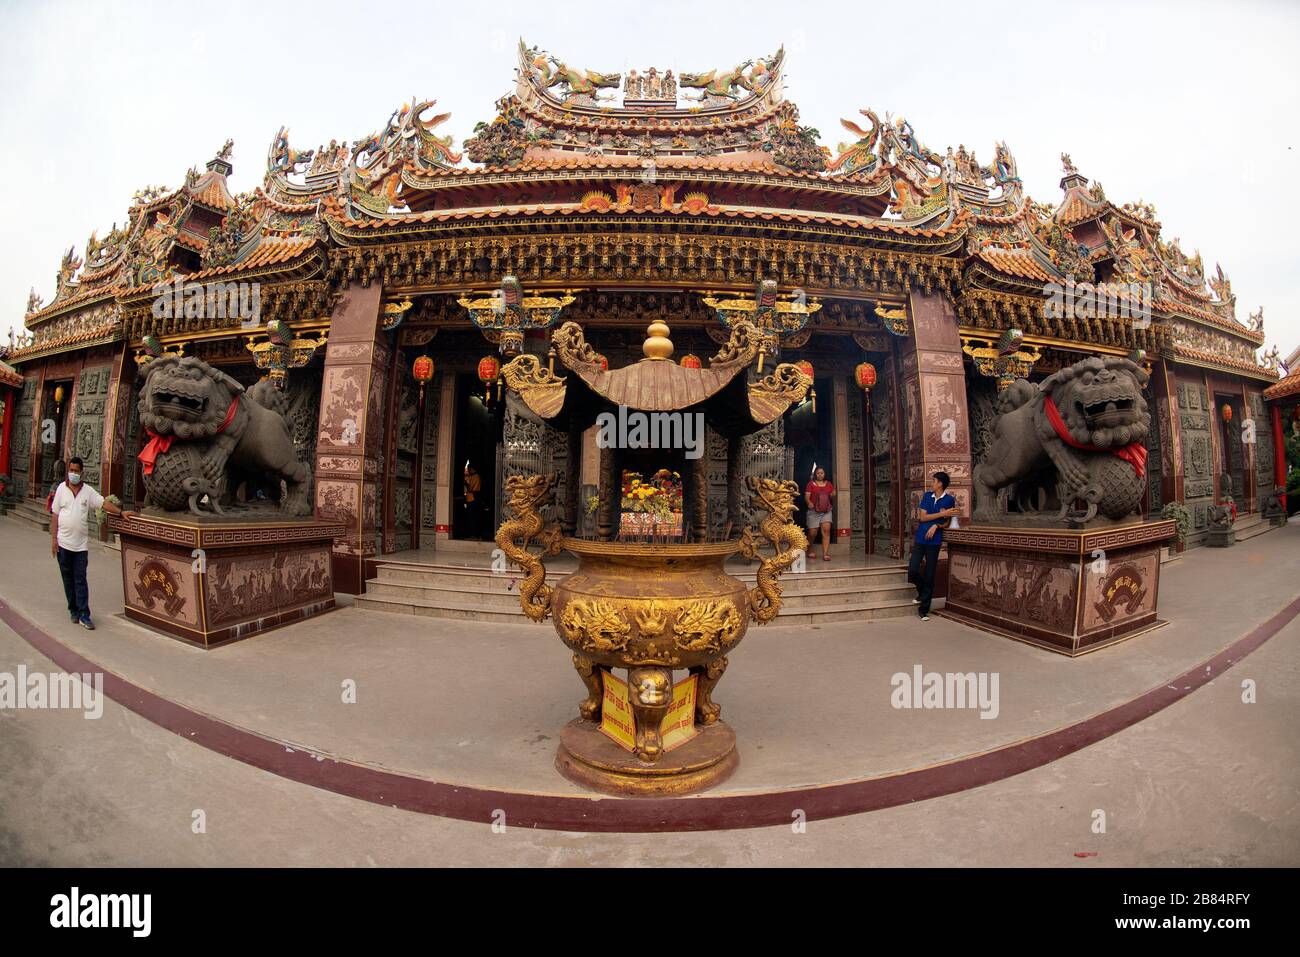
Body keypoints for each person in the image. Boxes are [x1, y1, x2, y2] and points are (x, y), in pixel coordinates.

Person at [49, 456, 133, 630]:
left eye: (76, 471)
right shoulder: (60, 490)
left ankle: (84, 614)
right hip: (63, 544)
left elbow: (103, 504)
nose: (73, 474)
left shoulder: (87, 491)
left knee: (80, 579)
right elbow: (55, 515)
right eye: (70, 470)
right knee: (67, 579)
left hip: (80, 547)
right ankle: (73, 610)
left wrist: (120, 512)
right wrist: (53, 540)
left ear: (82, 472)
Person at [909, 471, 959, 621]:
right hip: (920, 538)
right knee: (912, 570)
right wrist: (939, 514)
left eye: (934, 480)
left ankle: (923, 610)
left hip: (934, 541)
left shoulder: (949, 500)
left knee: (930, 574)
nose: (932, 483)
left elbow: (947, 522)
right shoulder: (927, 496)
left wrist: (936, 526)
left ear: (940, 483)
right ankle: (923, 592)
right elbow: (923, 517)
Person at [804, 466, 836, 562]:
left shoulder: (829, 484)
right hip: (814, 511)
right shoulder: (811, 484)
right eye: (818, 473)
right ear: (815, 474)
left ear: (824, 474)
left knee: (826, 531)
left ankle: (825, 554)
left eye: (822, 473)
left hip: (826, 511)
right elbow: (807, 497)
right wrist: (809, 503)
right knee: (812, 533)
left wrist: (833, 495)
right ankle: (809, 549)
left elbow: (831, 498)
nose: (820, 474)